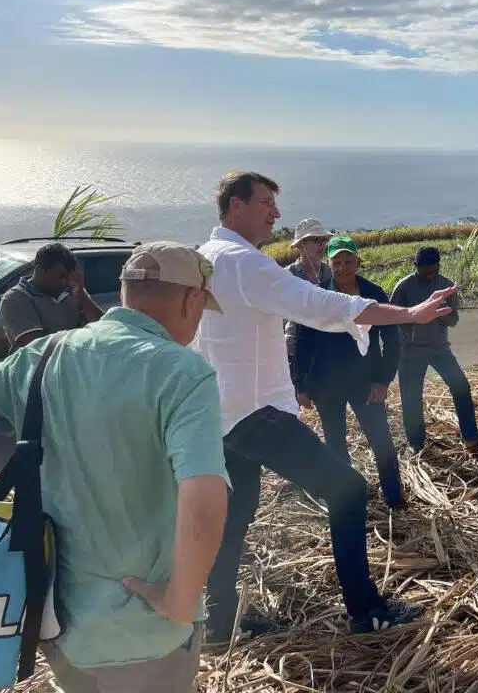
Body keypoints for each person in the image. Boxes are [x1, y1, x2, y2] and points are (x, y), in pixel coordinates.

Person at [0, 242, 230, 693]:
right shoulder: (183, 372)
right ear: (191, 299)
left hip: (55, 622)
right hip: (142, 634)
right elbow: (205, 496)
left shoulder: (44, 354)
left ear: (125, 291)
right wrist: (180, 600)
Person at [192, 171, 458, 645]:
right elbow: (318, 304)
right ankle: (365, 610)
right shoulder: (243, 262)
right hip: (255, 412)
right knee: (348, 490)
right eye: (266, 203)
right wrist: (408, 314)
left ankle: (217, 621)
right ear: (236, 206)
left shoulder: (203, 257)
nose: (276, 213)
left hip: (219, 413)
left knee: (235, 513)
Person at [293, 236, 404, 509]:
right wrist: (301, 385)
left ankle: (394, 498)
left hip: (366, 382)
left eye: (348, 261)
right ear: (329, 264)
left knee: (381, 440)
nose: (343, 267)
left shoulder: (373, 295)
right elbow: (303, 342)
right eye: (337, 262)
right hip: (326, 384)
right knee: (335, 443)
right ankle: (348, 500)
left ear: (358, 262)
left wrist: (383, 380)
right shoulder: (319, 297)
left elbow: (392, 340)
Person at [390, 246, 478, 452]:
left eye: (434, 269)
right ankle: (416, 443)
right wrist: (415, 317)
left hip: (439, 348)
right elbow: (393, 318)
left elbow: (454, 320)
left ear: (439, 265)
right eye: (426, 271)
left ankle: (470, 436)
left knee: (461, 387)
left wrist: (439, 312)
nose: (431, 274)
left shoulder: (446, 286)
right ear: (416, 266)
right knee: (411, 397)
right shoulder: (403, 287)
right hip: (411, 352)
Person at [0, 242, 104, 350]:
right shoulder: (15, 298)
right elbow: (36, 347)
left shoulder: (74, 291)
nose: (64, 282)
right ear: (39, 270)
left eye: (68, 276)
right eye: (60, 276)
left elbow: (103, 328)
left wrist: (82, 295)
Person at [284, 218, 334, 359]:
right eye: (316, 240)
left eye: (324, 240)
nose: (322, 245)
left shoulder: (330, 273)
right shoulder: (287, 276)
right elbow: (275, 316)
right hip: (297, 347)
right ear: (301, 245)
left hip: (328, 343)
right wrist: (283, 339)